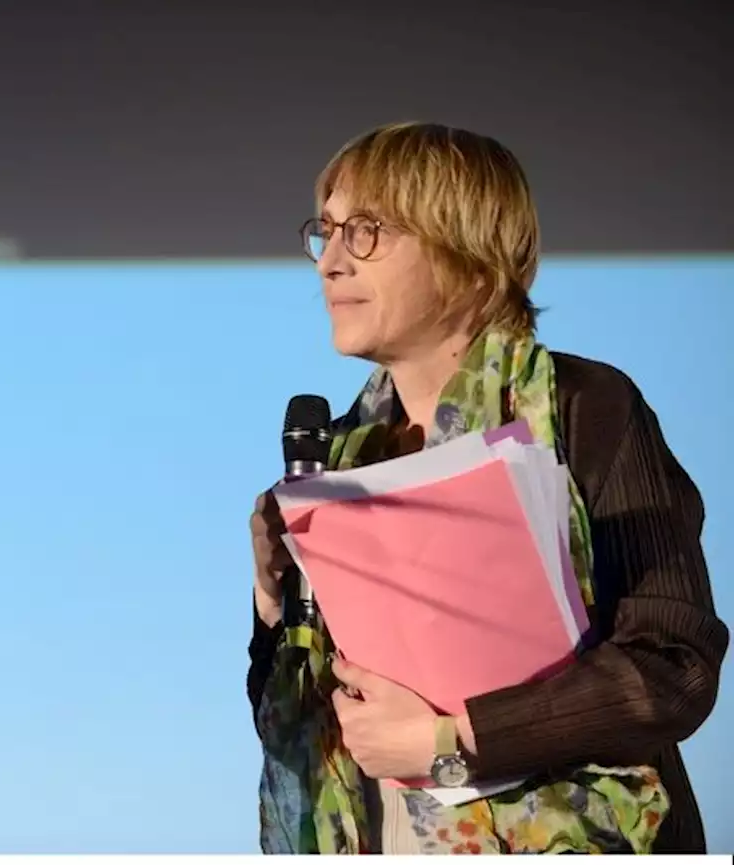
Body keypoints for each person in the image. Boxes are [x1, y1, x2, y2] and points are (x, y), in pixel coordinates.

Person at [246, 122, 727, 854]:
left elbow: (671, 665)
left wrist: (453, 740)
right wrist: (274, 604)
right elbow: (300, 722)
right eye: (328, 231)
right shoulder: (340, 459)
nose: (331, 263)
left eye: (367, 231)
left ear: (469, 260)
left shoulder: (583, 408)